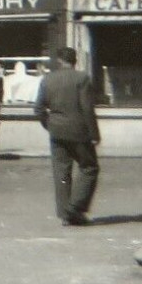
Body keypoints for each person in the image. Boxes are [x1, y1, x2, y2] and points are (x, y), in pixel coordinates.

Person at [34, 47, 101, 227]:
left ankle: (65, 214)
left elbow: (38, 109)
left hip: (56, 132)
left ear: (59, 61)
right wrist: (94, 134)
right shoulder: (82, 78)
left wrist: (50, 125)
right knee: (89, 168)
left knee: (61, 172)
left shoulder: (47, 80)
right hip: (79, 131)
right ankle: (75, 208)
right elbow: (87, 108)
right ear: (75, 60)